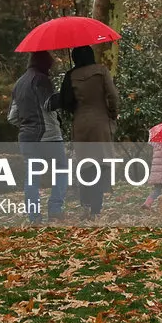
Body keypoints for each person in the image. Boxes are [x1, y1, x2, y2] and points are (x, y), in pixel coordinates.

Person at [8, 51, 68, 223]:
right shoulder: (41, 80)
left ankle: (34, 217)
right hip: (48, 135)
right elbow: (49, 104)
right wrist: (66, 94)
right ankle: (55, 209)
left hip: (26, 138)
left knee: (32, 177)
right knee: (62, 169)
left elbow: (12, 117)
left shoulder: (18, 84)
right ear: (45, 63)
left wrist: (27, 124)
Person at [60, 45, 120, 217]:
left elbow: (65, 102)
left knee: (85, 165)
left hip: (80, 123)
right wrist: (112, 113)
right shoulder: (101, 71)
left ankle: (85, 203)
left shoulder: (71, 75)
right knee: (100, 164)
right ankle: (96, 207)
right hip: (101, 122)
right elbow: (113, 95)